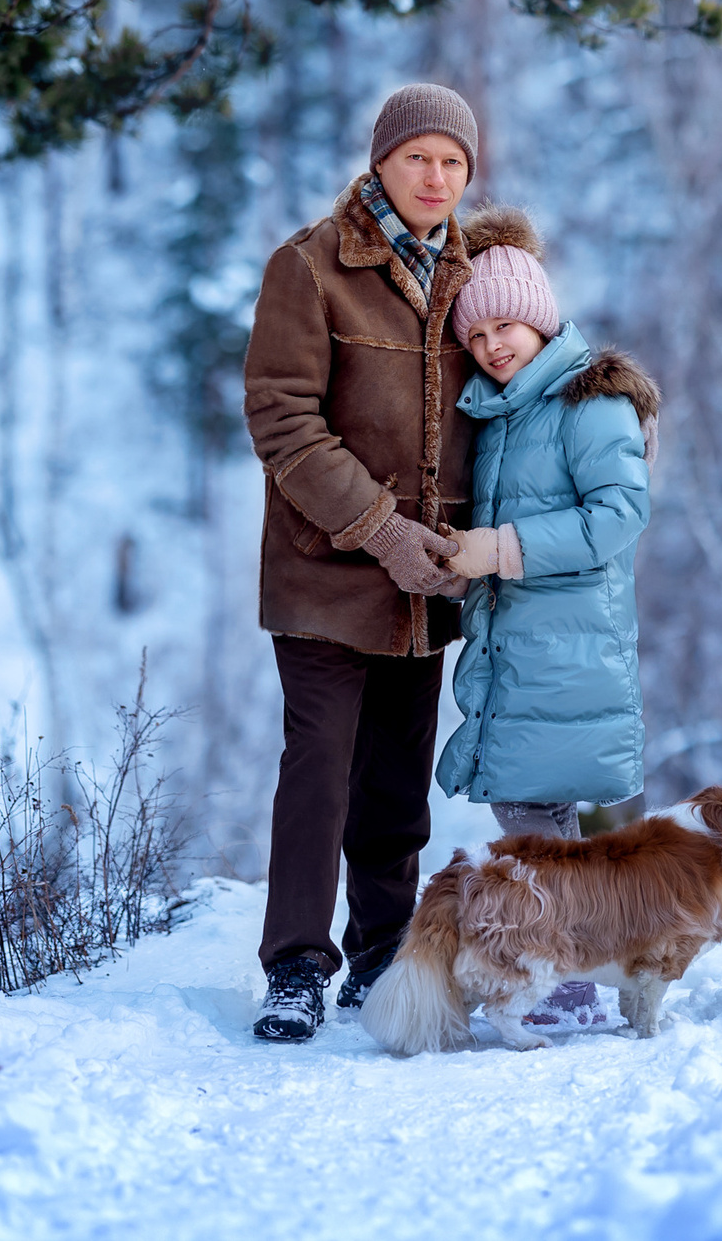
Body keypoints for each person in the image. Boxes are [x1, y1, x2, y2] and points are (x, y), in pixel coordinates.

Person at [241, 82, 531, 1043]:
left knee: (397, 782)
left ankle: (379, 952)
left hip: (430, 586)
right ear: (382, 162)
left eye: (454, 162)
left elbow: (524, 370)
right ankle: (294, 966)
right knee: (319, 769)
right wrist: (381, 528)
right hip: (327, 570)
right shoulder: (310, 265)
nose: (437, 176)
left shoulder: (475, 276)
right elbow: (282, 420)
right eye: (419, 157)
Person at [435, 227, 660, 1024]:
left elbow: (620, 513)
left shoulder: (584, 404)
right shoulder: (507, 412)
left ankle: (560, 980)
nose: (495, 344)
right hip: (527, 646)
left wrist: (499, 549)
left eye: (508, 326)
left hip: (566, 650)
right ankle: (580, 976)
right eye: (479, 333)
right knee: (545, 823)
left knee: (532, 820)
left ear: (542, 320)